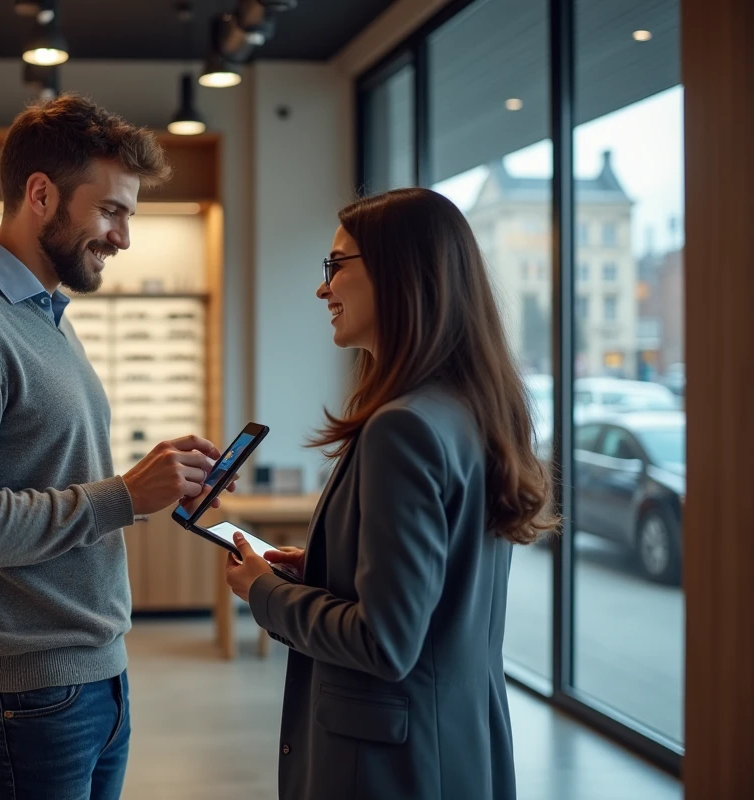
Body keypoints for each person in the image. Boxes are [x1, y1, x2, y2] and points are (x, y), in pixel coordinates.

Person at [0, 95, 231, 799]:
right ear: (40, 195)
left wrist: (150, 482)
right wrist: (124, 496)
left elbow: (51, 470)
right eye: (112, 211)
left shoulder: (46, 315)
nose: (124, 238)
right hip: (21, 698)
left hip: (92, 678)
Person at [225, 187, 556, 800]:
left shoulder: (401, 429)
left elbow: (385, 642)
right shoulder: (474, 410)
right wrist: (323, 571)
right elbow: (437, 598)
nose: (323, 289)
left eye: (335, 266)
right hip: (456, 741)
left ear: (402, 274)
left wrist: (264, 592)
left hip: (384, 768)